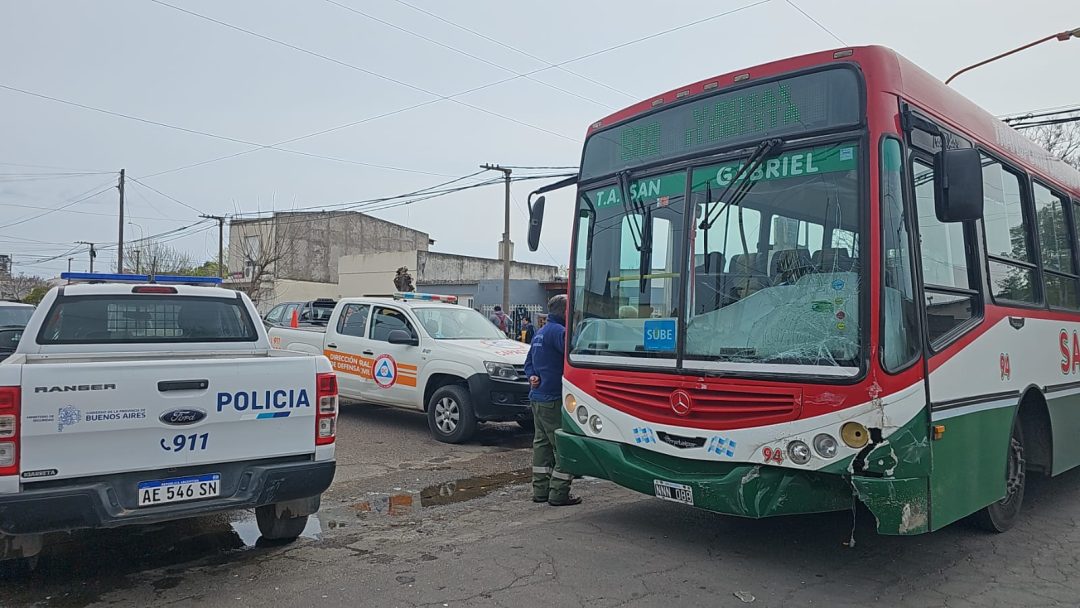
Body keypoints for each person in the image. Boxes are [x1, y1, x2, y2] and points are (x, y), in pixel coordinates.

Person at [523, 294, 580, 506]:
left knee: (542, 445)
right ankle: (558, 493)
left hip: (537, 398)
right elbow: (573, 357)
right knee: (563, 447)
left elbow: (528, 363)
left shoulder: (540, 333)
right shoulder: (560, 333)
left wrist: (532, 377)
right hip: (553, 398)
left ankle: (540, 491)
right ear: (566, 312)